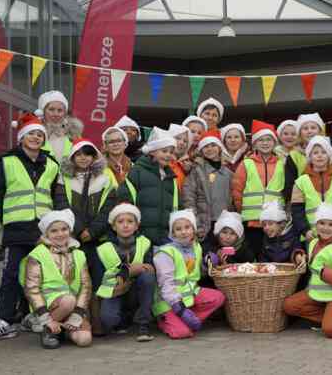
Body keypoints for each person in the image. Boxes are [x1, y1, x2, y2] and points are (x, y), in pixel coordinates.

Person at [0, 113, 59, 342]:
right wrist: (8, 219)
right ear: (22, 137)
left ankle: (30, 316)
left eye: (39, 134)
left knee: (40, 276)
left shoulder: (51, 165)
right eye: (31, 133)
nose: (35, 137)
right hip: (16, 230)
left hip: (43, 231)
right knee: (11, 275)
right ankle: (4, 320)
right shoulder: (6, 161)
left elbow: (55, 196)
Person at [53, 137, 117, 334]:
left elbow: (109, 208)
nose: (82, 158)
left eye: (87, 154)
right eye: (78, 154)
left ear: (94, 156)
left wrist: (93, 231)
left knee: (97, 281)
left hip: (98, 240)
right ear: (72, 157)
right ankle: (78, 322)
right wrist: (80, 230)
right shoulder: (64, 178)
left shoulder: (105, 179)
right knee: (76, 281)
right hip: (73, 239)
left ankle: (97, 323)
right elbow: (62, 205)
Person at [283, 203, 332, 338]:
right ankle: (331, 317)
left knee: (331, 331)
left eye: (331, 225)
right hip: (318, 293)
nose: (325, 228)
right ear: (316, 225)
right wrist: (299, 256)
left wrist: (324, 272)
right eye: (322, 223)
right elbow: (313, 259)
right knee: (289, 306)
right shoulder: (314, 242)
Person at [21, 209, 92, 349]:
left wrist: (77, 315)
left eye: (64, 229)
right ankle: (47, 328)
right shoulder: (37, 254)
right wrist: (45, 318)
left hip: (74, 308)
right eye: (54, 231)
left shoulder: (79, 254)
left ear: (70, 230)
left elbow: (86, 286)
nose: (60, 234)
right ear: (46, 233)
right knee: (68, 300)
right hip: (48, 307)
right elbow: (31, 288)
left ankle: (60, 330)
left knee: (84, 340)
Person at [153, 210, 226, 339]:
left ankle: (185, 319)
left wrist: (207, 263)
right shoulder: (165, 253)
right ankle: (164, 320)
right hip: (169, 301)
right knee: (183, 333)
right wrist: (179, 309)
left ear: (193, 229)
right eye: (178, 229)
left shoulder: (196, 247)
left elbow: (196, 274)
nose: (184, 231)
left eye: (187, 227)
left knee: (218, 297)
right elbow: (166, 285)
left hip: (189, 294)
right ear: (173, 233)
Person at [96, 203, 155, 342]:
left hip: (137, 289)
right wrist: (128, 271)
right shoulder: (103, 248)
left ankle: (143, 324)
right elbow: (100, 279)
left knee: (147, 276)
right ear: (113, 226)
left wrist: (136, 270)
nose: (125, 225)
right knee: (108, 320)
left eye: (130, 221)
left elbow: (149, 268)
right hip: (114, 289)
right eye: (120, 222)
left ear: (137, 225)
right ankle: (123, 319)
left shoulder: (145, 243)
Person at [116, 127, 179, 246]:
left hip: (165, 237)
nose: (168, 155)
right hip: (140, 236)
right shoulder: (137, 171)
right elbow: (125, 199)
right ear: (152, 151)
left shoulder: (171, 177)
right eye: (164, 151)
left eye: (171, 152)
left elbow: (176, 206)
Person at [232, 120, 285, 257]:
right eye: (261, 140)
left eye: (269, 139)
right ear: (254, 143)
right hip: (252, 222)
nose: (265, 143)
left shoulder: (282, 164)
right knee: (254, 255)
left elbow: (286, 191)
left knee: (274, 256)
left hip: (275, 222)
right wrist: (243, 212)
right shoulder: (246, 164)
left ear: (274, 143)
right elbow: (237, 190)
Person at [182, 130, 234, 253]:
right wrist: (195, 222)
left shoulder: (229, 173)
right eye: (206, 147)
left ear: (220, 148)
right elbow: (189, 197)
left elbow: (233, 199)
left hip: (224, 224)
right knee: (207, 257)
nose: (210, 149)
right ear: (201, 150)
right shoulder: (196, 171)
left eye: (213, 146)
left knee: (225, 258)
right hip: (205, 224)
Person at [290, 136, 332, 243]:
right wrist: (305, 230)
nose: (320, 156)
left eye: (324, 152)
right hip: (311, 235)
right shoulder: (300, 182)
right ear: (310, 157)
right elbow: (297, 210)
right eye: (315, 153)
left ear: (329, 156)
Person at [282, 113, 325, 203]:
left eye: (313, 128)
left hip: (327, 201)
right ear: (300, 133)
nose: (309, 131)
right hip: (302, 203)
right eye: (305, 128)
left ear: (320, 131)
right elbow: (289, 185)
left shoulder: (329, 153)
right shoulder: (294, 156)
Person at [36, 90, 83, 162]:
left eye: (60, 110)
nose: (56, 114)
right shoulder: (34, 133)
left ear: (65, 113)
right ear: (43, 111)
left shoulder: (74, 135)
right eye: (51, 109)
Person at [168, 123, 193, 191]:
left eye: (185, 141)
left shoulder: (185, 166)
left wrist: (188, 173)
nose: (181, 143)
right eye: (178, 138)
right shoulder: (159, 160)